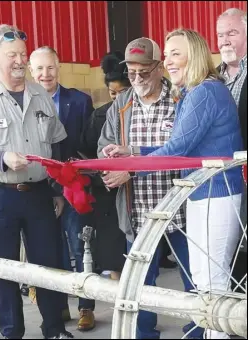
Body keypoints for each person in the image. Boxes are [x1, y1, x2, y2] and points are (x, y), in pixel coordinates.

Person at [102, 29, 243, 340]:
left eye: (175, 53)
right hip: (204, 195)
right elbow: (182, 149)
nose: (168, 61)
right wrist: (134, 153)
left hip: (213, 195)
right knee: (206, 284)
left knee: (211, 286)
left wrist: (132, 169)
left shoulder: (203, 92)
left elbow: (177, 151)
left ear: (193, 55)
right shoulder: (199, 91)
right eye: (166, 54)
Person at [0, 24, 73, 340]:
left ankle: (54, 329)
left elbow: (57, 143)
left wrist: (58, 188)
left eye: (23, 54)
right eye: (12, 55)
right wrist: (2, 158)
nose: (19, 61)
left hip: (38, 195)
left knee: (47, 266)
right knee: (4, 269)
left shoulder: (40, 95)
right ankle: (12, 332)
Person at [97, 37, 193, 339]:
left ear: (159, 67)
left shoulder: (180, 100)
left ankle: (200, 330)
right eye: (132, 73)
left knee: (194, 280)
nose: (137, 79)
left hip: (180, 213)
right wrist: (110, 161)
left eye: (144, 72)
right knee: (140, 285)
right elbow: (103, 146)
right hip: (137, 215)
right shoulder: (121, 104)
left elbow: (183, 154)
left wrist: (132, 170)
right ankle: (144, 334)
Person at [29, 46, 95, 331]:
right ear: (32, 72)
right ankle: (58, 308)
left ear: (59, 67)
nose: (46, 74)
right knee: (49, 249)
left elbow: (89, 144)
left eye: (50, 67)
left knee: (81, 245)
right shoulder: (22, 103)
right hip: (38, 189)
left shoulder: (80, 101)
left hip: (72, 187)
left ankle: (86, 307)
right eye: (40, 69)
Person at [79, 51, 131, 280]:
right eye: (112, 93)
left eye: (122, 92)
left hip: (133, 186)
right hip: (107, 188)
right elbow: (87, 146)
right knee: (112, 246)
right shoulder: (100, 115)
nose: (117, 97)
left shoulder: (138, 112)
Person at [216, 8, 247, 291]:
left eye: (232, 33)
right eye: (220, 35)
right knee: (230, 246)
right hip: (221, 178)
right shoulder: (212, 78)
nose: (224, 40)